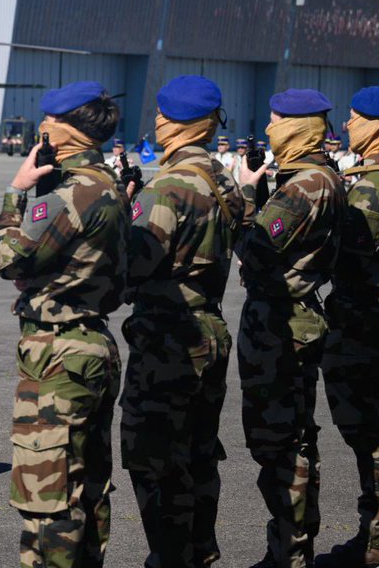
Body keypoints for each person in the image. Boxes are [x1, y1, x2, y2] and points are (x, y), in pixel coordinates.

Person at [0, 81, 128, 568]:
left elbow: (11, 259)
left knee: (48, 500)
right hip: (92, 345)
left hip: (59, 353)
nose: (40, 129)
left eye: (46, 122)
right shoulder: (107, 182)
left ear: (62, 130)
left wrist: (16, 193)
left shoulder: (73, 192)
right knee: (87, 489)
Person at [122, 76, 245, 568]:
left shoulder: (169, 187)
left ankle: (170, 556)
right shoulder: (220, 177)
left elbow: (135, 266)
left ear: (169, 122)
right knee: (197, 450)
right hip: (209, 328)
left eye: (159, 114)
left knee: (153, 455)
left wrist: (122, 212)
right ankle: (200, 548)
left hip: (168, 337)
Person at [234, 89, 346, 568]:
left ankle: (291, 553)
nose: (269, 129)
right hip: (288, 318)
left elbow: (256, 249)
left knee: (281, 443)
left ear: (300, 126)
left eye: (277, 120)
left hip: (283, 324)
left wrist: (242, 193)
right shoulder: (313, 177)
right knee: (288, 439)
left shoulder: (307, 185)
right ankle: (288, 545)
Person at [320, 87, 379, 568]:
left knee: (374, 438)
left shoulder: (371, 185)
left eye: (355, 119)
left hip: (367, 330)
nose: (347, 126)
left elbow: (344, 257)